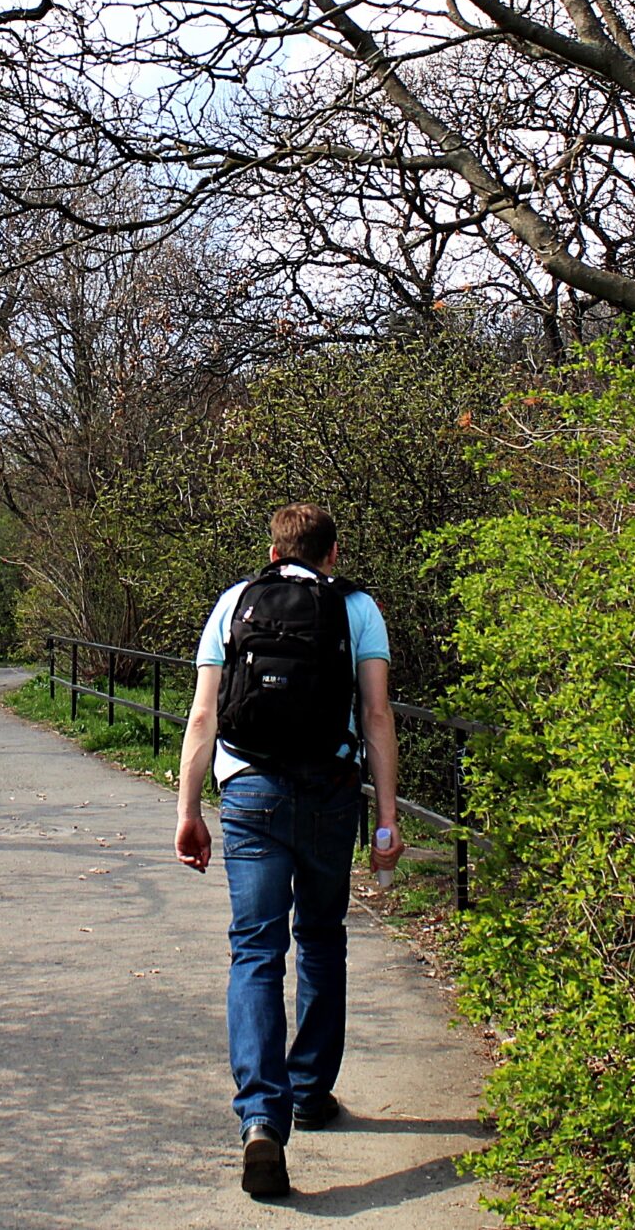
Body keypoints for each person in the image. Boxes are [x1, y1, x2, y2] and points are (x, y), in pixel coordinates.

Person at [174, 502, 403, 1198]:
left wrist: (188, 811)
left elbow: (204, 713)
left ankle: (261, 1122)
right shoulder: (358, 608)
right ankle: (309, 1089)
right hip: (331, 790)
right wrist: (388, 818)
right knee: (323, 939)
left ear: (273, 552)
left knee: (255, 949)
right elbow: (376, 714)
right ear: (332, 554)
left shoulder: (233, 602)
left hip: (250, 792)